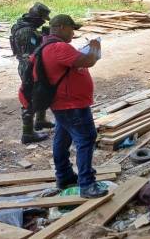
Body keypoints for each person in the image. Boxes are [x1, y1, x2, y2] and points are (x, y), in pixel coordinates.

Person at [43, 15, 106, 198]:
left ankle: (64, 177)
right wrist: (94, 48)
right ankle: (87, 184)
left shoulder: (48, 46)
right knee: (86, 139)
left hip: (63, 104)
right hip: (71, 104)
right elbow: (88, 61)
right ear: (61, 27)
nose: (73, 33)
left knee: (61, 140)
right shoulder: (58, 47)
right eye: (71, 29)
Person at [10, 2, 55, 144]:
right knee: (29, 97)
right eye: (42, 19)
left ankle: (40, 120)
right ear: (36, 17)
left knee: (41, 91)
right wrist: (45, 40)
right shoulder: (26, 31)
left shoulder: (22, 27)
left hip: (31, 64)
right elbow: (32, 52)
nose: (43, 22)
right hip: (29, 66)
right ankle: (27, 133)